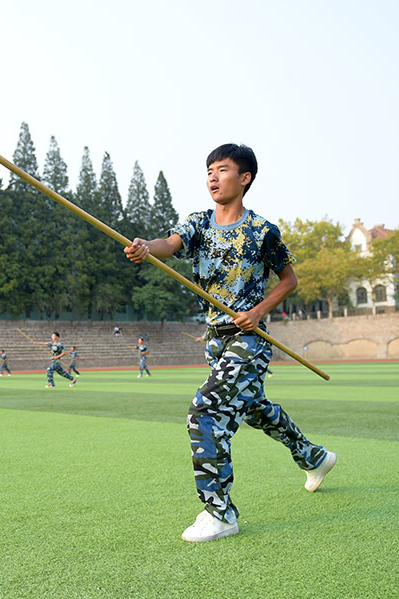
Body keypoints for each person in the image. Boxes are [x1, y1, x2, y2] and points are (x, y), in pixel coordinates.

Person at [123, 143, 335, 542]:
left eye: (222, 170)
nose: (213, 178)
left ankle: (220, 512)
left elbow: (289, 280)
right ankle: (314, 457)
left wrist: (257, 311)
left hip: (249, 340)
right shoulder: (198, 223)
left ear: (245, 178)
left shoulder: (262, 231)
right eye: (209, 172)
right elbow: (169, 244)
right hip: (215, 341)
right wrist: (147, 249)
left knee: (204, 412)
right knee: (254, 409)